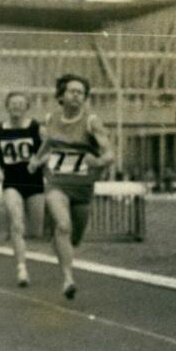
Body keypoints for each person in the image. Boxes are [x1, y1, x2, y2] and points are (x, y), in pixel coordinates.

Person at [27, 74, 115, 299]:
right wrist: (37, 160)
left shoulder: (91, 122)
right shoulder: (51, 119)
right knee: (63, 225)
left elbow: (109, 154)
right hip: (57, 183)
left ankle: (58, 243)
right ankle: (68, 279)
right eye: (72, 91)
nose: (76, 96)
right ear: (61, 95)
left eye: (81, 93)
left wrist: (97, 161)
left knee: (73, 238)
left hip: (83, 187)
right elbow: (48, 143)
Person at [0, 92, 45, 286]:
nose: (16, 107)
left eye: (20, 104)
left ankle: (25, 249)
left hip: (34, 181)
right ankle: (21, 268)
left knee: (36, 231)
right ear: (7, 107)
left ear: (26, 107)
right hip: (12, 181)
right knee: (16, 223)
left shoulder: (34, 127)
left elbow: (47, 151)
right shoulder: (0, 129)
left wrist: (37, 160)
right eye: (13, 104)